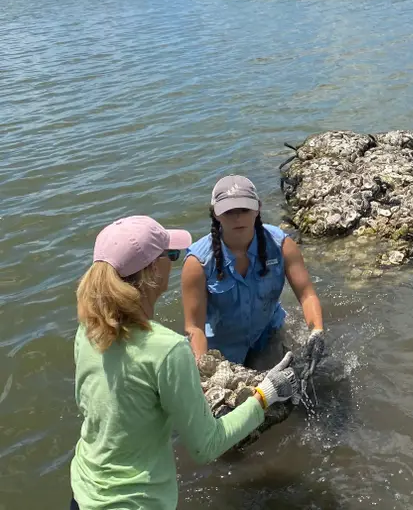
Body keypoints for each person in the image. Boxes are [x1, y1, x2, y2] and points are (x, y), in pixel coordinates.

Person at [70, 215, 299, 510]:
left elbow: (90, 404)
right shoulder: (168, 349)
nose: (175, 262)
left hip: (83, 492)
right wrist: (265, 395)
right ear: (154, 268)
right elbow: (207, 446)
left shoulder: (88, 330)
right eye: (172, 255)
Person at [181, 175, 325, 380]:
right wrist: (204, 372)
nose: (237, 217)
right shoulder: (198, 262)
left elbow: (306, 295)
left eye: (244, 209)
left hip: (266, 335)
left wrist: (316, 331)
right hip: (221, 347)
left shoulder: (282, 245)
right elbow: (194, 326)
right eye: (229, 211)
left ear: (257, 208)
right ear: (215, 214)